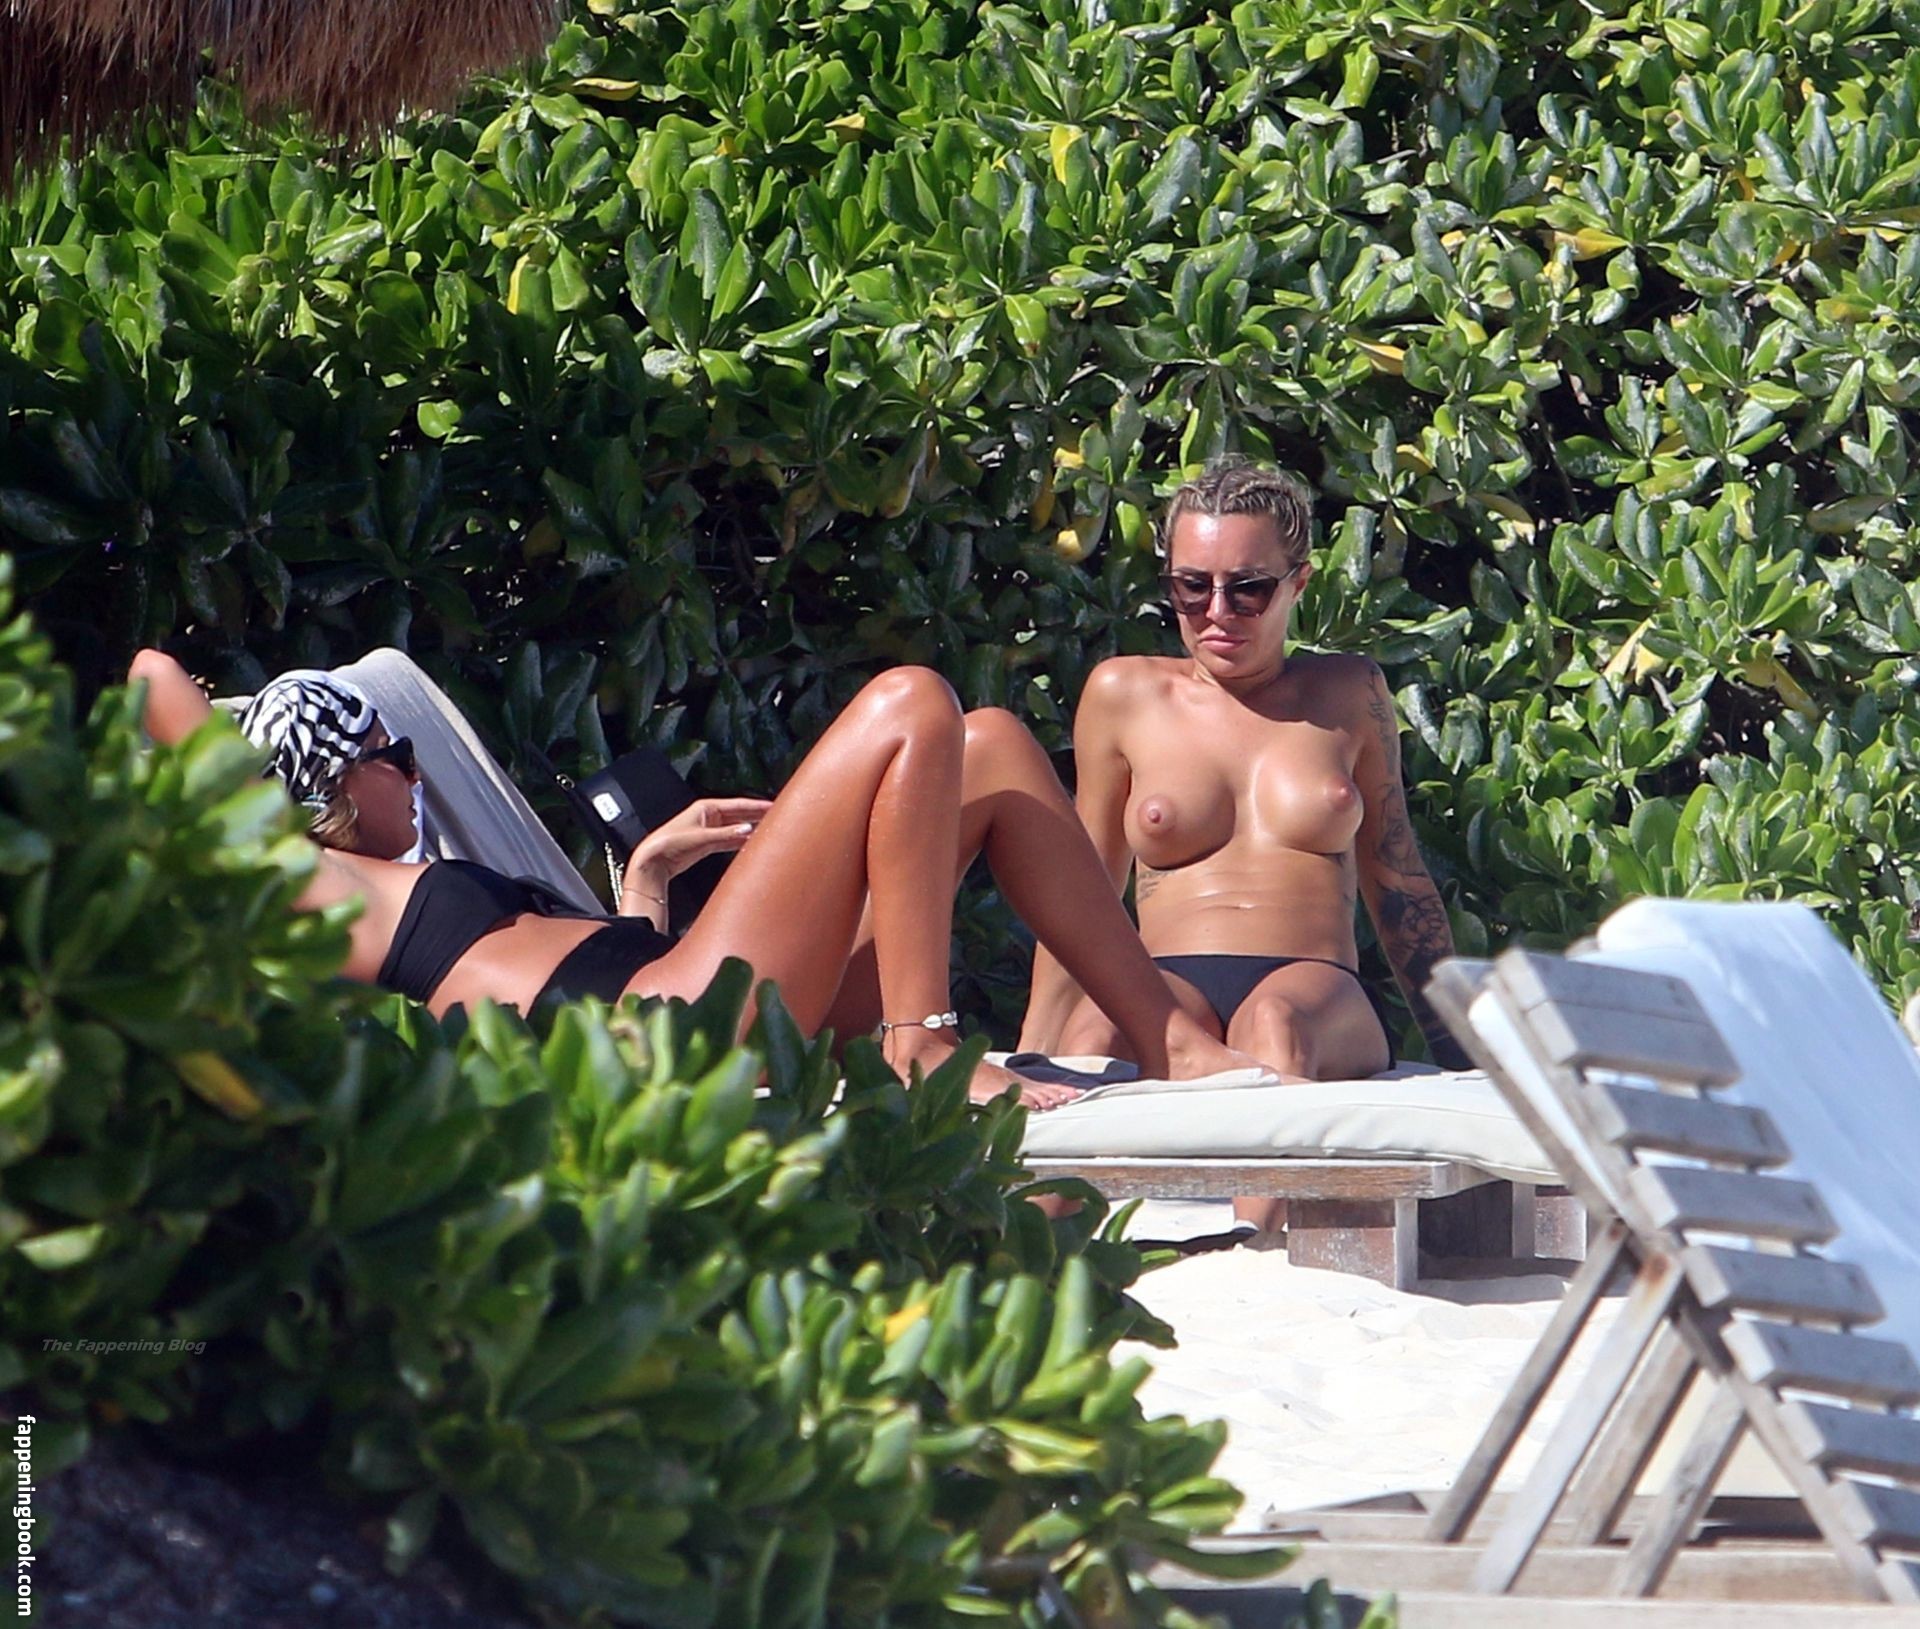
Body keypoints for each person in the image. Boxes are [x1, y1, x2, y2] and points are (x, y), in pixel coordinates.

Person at [130, 650, 1266, 1111]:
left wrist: (645, 876)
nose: (416, 775)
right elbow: (153, 679)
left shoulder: (402, 876)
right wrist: (262, 781)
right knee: (908, 702)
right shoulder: (316, 884)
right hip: (681, 1023)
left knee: (995, 748)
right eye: (399, 757)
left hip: (680, 987)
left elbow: (571, 975)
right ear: (339, 783)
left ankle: (1164, 1034)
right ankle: (919, 1041)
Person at [1020, 458, 1467, 1201]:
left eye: (1248, 588)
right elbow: (1082, 886)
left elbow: (1397, 877)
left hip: (1314, 986)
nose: (1217, 612)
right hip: (1166, 978)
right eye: (1192, 587)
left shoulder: (1348, 693)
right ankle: (1046, 1243)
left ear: (1298, 583)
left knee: (1274, 1024)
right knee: (1095, 1033)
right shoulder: (1125, 694)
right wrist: (1034, 1048)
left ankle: (1251, 1246)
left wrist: (1460, 1049)